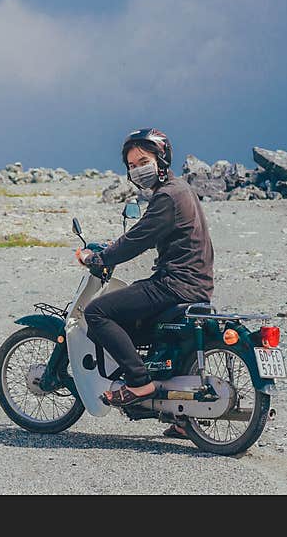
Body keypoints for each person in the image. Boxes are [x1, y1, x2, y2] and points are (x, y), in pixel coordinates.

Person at [76, 128, 214, 439]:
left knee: (98, 312)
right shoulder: (181, 190)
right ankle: (181, 417)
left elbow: (138, 240)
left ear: (161, 159)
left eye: (144, 160)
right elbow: (146, 233)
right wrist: (115, 245)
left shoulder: (167, 196)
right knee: (143, 327)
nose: (138, 169)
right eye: (133, 165)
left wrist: (98, 258)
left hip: (175, 283)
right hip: (196, 283)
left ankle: (139, 383)